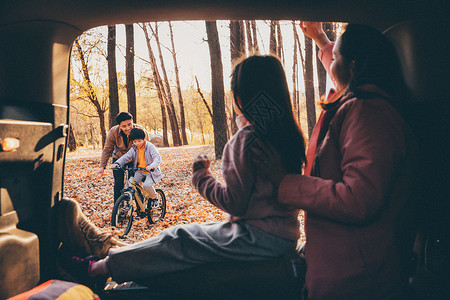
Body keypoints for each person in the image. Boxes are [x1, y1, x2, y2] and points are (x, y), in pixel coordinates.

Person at [63, 55, 307, 288]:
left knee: (180, 239)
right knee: (180, 235)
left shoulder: (246, 141)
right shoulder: (289, 137)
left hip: (256, 238)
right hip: (280, 237)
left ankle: (95, 269)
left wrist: (201, 177)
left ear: (240, 98)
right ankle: (110, 253)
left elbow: (235, 203)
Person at [252, 23, 418, 299]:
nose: (331, 64)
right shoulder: (363, 102)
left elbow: (358, 199)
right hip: (345, 265)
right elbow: (339, 64)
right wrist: (321, 39)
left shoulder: (368, 114)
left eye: (336, 57)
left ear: (353, 66)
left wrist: (286, 182)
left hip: (358, 280)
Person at [95, 112, 150, 202]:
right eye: (124, 126)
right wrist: (102, 167)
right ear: (119, 126)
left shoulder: (141, 131)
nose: (128, 128)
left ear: (132, 122)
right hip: (119, 158)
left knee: (134, 183)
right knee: (118, 183)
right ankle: (118, 211)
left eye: (129, 124)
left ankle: (141, 206)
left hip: (135, 159)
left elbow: (147, 150)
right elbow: (107, 149)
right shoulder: (113, 132)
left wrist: (147, 166)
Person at [111, 128, 162, 200]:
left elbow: (157, 158)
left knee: (146, 186)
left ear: (144, 139)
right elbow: (126, 156)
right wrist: (117, 163)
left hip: (150, 172)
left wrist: (152, 166)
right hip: (139, 171)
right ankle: (129, 204)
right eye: (135, 141)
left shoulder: (150, 147)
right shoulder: (134, 148)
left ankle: (155, 198)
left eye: (139, 141)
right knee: (129, 185)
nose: (137, 143)